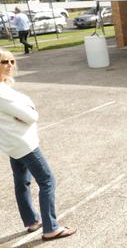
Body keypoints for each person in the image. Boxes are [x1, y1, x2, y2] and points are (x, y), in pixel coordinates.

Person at [0, 49, 76, 241]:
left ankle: (32, 221)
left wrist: (24, 110)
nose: (9, 65)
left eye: (11, 61)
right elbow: (32, 115)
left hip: (13, 144)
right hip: (24, 143)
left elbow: (24, 112)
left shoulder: (4, 86)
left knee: (22, 182)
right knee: (47, 180)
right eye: (4, 62)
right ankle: (51, 228)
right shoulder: (1, 93)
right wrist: (28, 109)